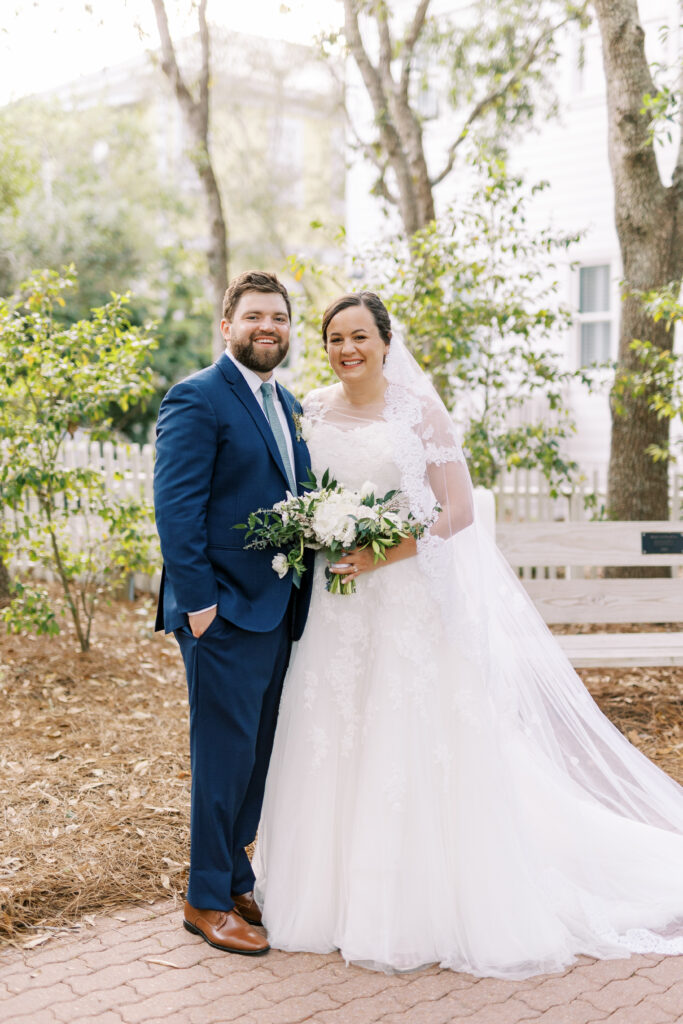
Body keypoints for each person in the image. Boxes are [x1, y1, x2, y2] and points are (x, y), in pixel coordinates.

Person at [253, 291, 683, 979]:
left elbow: (455, 513)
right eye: (334, 337)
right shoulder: (308, 408)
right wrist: (320, 531)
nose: (346, 349)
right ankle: (325, 901)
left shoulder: (418, 411)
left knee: (405, 735)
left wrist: (377, 551)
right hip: (335, 607)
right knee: (334, 732)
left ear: (385, 342)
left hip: (402, 600)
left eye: (358, 335)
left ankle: (409, 904)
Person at [153, 270, 314, 956]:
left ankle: (236, 873)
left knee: (257, 756)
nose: (267, 327)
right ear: (227, 325)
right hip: (221, 614)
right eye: (253, 316)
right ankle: (205, 898)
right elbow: (176, 509)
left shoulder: (287, 402)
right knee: (223, 759)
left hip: (278, 610)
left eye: (277, 317)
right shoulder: (197, 397)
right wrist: (199, 609)